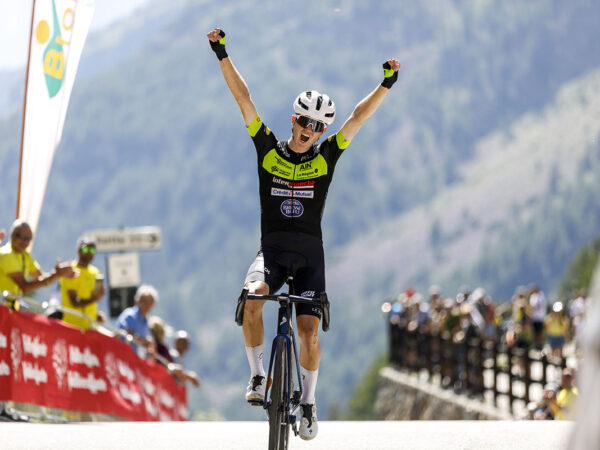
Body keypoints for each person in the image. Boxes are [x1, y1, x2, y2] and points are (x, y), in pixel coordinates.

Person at [207, 27, 400, 440]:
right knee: (253, 297)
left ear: (322, 131)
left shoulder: (327, 156)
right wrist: (221, 52)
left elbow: (357, 118)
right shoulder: (267, 149)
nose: (308, 129)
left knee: (309, 332)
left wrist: (385, 83)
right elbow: (244, 99)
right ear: (293, 120)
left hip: (311, 257)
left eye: (317, 125)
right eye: (304, 121)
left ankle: (309, 402)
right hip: (272, 252)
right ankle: (258, 375)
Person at [0, 219, 76, 297]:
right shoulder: (6, 255)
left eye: (29, 238)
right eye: (22, 237)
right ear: (12, 235)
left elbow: (40, 277)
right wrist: (56, 275)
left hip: (11, 303)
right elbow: (24, 287)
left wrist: (58, 273)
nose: (25, 242)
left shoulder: (25, 256)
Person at [59, 236, 105, 329]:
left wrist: (96, 315)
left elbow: (90, 298)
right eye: (86, 248)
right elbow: (75, 302)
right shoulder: (70, 270)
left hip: (91, 326)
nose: (89, 252)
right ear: (78, 250)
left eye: (92, 249)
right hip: (72, 326)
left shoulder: (95, 272)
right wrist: (94, 299)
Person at [117, 284, 158, 357]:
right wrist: (144, 341)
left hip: (136, 358)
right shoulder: (130, 315)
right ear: (137, 301)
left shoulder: (147, 321)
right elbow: (123, 334)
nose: (147, 305)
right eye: (144, 301)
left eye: (150, 302)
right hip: (123, 355)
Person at [529, 285, 547, 350]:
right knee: (535, 332)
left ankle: (540, 344)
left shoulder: (541, 296)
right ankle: (536, 345)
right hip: (534, 318)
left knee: (540, 332)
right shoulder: (532, 297)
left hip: (540, 318)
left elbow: (539, 306)